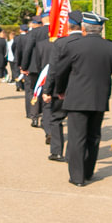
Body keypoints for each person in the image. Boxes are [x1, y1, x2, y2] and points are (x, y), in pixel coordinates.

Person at [53, 12, 112, 186]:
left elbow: (61, 71)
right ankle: (88, 173)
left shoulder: (73, 46)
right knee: (93, 137)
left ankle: (77, 177)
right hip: (99, 99)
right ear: (101, 29)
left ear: (83, 27)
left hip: (76, 99)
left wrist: (59, 91)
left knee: (77, 138)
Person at [41, 11, 83, 161]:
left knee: (56, 119)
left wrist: (47, 90)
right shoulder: (87, 42)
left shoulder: (60, 43)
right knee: (77, 122)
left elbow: (53, 69)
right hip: (81, 90)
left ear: (68, 26)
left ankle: (57, 152)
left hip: (61, 89)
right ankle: (75, 153)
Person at [21, 14, 48, 127]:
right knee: (47, 91)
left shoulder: (35, 32)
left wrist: (24, 66)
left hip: (34, 67)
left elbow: (27, 50)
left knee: (33, 91)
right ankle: (45, 118)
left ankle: (33, 115)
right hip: (49, 66)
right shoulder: (58, 31)